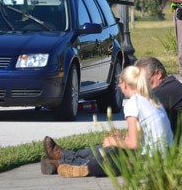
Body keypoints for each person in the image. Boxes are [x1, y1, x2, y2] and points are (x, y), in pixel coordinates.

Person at [41, 65, 173, 178]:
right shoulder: (152, 101)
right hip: (162, 158)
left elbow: (134, 144)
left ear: (125, 84)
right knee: (104, 148)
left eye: (119, 84)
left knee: (105, 153)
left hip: (147, 161)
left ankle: (64, 161)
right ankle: (62, 157)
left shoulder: (133, 104)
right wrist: (122, 137)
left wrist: (114, 141)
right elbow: (143, 137)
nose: (120, 88)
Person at [135, 56, 182, 142]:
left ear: (158, 74)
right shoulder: (171, 85)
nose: (142, 85)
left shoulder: (163, 92)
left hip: (175, 149)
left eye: (145, 80)